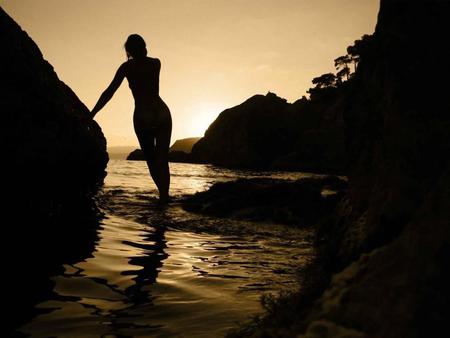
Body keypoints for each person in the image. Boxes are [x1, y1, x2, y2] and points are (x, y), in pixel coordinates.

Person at [91, 34, 172, 204]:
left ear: (129, 51)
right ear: (144, 46)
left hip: (143, 116)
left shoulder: (126, 68)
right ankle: (165, 196)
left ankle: (162, 196)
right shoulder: (156, 63)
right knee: (162, 158)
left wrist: (92, 114)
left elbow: (109, 92)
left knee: (151, 159)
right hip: (161, 112)